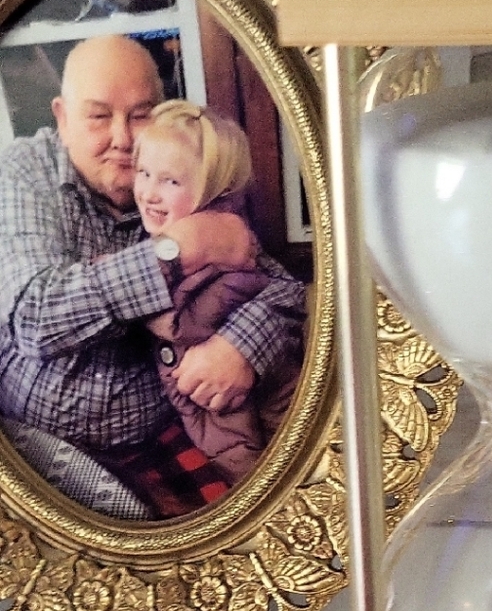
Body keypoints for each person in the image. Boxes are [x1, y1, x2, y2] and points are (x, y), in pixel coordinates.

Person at [0, 34, 305, 516]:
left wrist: (241, 346)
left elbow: (286, 292)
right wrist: (179, 250)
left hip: (164, 434)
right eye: (99, 116)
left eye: (140, 114)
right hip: (28, 437)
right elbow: (37, 319)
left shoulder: (178, 173)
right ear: (61, 117)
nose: (123, 138)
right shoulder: (24, 172)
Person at [134, 99, 302, 485]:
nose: (148, 193)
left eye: (170, 181)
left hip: (256, 409)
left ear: (215, 190)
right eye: (143, 173)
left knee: (255, 475)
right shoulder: (161, 235)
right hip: (214, 412)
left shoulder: (225, 250)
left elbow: (184, 319)